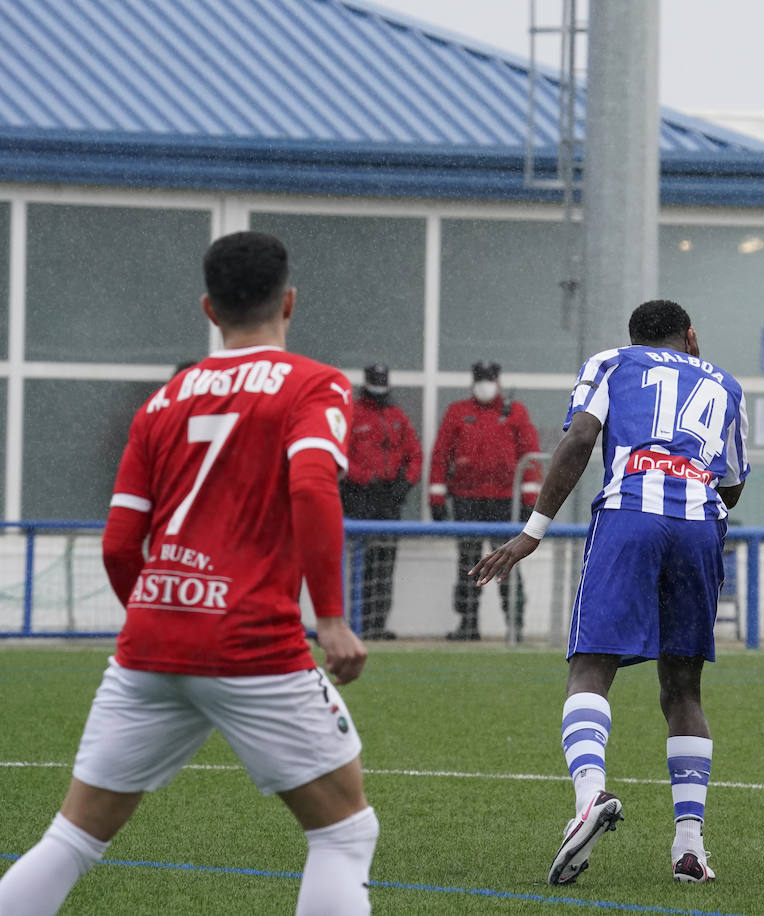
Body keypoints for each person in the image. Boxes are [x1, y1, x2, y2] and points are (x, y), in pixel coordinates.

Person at [0, 231, 378, 915]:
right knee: (345, 833)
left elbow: (120, 543)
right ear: (289, 301)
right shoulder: (312, 385)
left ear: (209, 309)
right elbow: (314, 484)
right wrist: (330, 616)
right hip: (252, 646)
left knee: (72, 838)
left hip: (150, 645)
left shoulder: (163, 402)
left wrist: (160, 610)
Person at [470, 299, 750, 886]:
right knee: (682, 688)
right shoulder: (726, 384)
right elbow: (733, 484)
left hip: (630, 514)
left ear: (635, 337)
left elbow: (578, 440)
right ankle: (689, 848)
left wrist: (532, 531)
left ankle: (588, 801)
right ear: (690, 337)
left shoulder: (612, 363)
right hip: (701, 524)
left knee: (591, 665)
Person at [429, 360, 542, 641]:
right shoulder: (458, 412)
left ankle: (514, 627)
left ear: (498, 381)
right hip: (466, 501)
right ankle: (468, 625)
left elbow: (530, 454)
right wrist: (436, 496)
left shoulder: (515, 412)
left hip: (504, 502)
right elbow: (441, 454)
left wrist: (529, 499)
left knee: (507, 562)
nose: (485, 384)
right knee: (468, 564)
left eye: (489, 378)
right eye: (480, 378)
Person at [341, 362, 422, 640]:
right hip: (361, 498)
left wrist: (405, 483)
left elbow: (414, 453)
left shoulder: (396, 416)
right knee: (362, 563)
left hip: (390, 499)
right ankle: (359, 623)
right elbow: (341, 457)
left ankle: (378, 624)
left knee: (385, 564)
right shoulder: (352, 414)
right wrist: (365, 479)